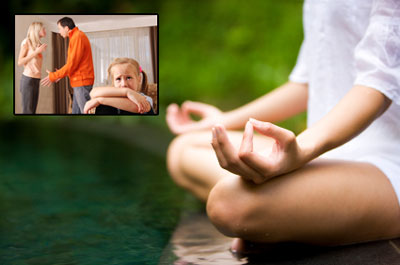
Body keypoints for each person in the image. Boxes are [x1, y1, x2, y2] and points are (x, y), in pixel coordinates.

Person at [166, 0, 400, 253]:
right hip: (328, 150)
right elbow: (308, 82)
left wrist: (302, 150)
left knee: (230, 204)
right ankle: (285, 212)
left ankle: (277, 211)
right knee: (184, 148)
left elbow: (377, 86)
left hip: (387, 162)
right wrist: (222, 122)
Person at [40, 17, 94, 114]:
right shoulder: (76, 36)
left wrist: (54, 76)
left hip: (81, 83)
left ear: (66, 28)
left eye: (60, 29)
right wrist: (60, 74)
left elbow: (72, 64)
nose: (59, 32)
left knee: (84, 112)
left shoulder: (77, 37)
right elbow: (75, 64)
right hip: (79, 82)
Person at [84, 57, 154, 115]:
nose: (124, 84)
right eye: (118, 79)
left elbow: (139, 108)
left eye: (129, 78)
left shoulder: (144, 98)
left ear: (139, 79)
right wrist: (127, 92)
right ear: (113, 82)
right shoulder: (111, 96)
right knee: (104, 106)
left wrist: (100, 100)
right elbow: (93, 93)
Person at [17, 22, 47, 114]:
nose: (45, 30)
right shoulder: (26, 42)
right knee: (28, 112)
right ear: (37, 30)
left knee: (33, 111)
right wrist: (36, 52)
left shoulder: (37, 44)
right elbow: (20, 62)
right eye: (43, 29)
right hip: (28, 80)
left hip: (36, 80)